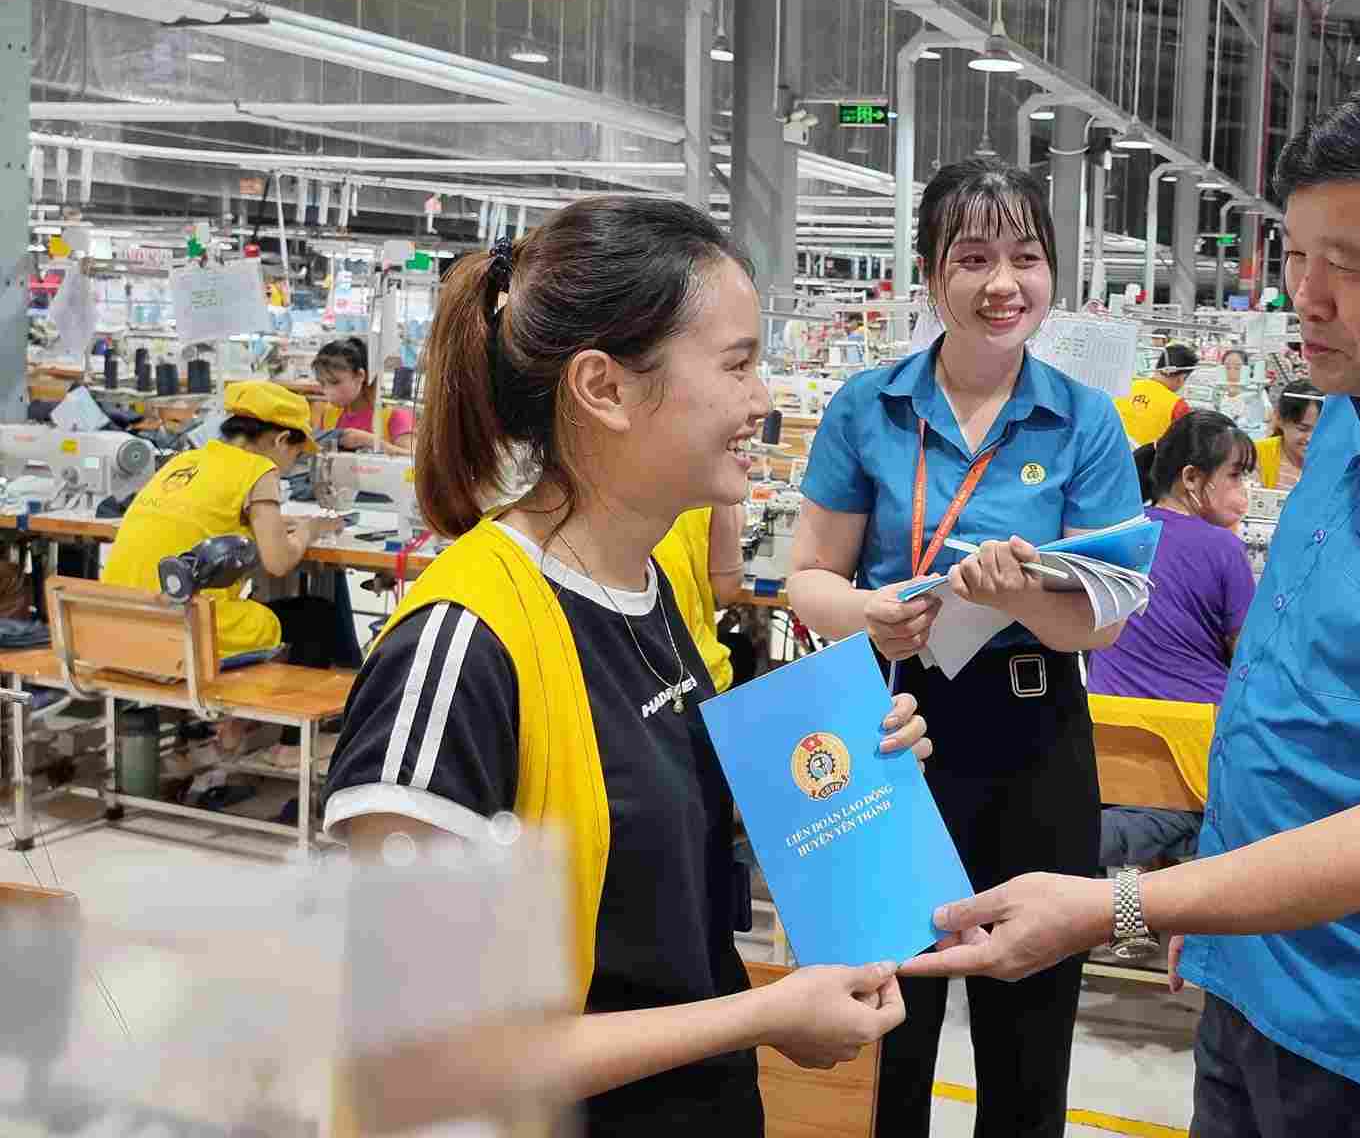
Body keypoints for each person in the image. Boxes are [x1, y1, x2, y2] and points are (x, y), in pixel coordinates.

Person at [901, 77, 1360, 1138]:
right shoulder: (1357, 401)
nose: (1304, 296)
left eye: (1345, 268)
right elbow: (1294, 691)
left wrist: (1122, 903)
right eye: (1293, 257)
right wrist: (1209, 911)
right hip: (1253, 969)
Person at [321, 197, 924, 1137]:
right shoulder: (458, 648)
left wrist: (846, 773)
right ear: (603, 388)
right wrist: (762, 1014)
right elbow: (422, 1059)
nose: (765, 399)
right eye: (738, 364)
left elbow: (657, 867)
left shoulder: (647, 592)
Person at [786, 156, 1144, 1138]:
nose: (1002, 283)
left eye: (1025, 257)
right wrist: (868, 613)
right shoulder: (868, 407)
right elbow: (807, 577)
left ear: (1052, 273)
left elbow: (1103, 621)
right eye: (973, 256)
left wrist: (1026, 595)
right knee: (879, 1024)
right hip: (888, 731)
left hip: (1034, 741)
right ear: (929, 273)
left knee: (1028, 1037)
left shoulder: (1086, 423)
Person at [1091, 410, 1258, 870]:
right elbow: (1248, 660)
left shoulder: (1115, 534)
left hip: (1106, 736)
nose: (1244, 494)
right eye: (1236, 477)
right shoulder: (1223, 548)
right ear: (1191, 478)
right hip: (1192, 750)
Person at [104, 380, 348, 665]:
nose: (292, 465)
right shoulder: (259, 468)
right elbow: (278, 562)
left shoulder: (185, 461)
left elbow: (206, 515)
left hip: (118, 619)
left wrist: (276, 522)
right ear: (281, 440)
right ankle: (289, 704)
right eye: (296, 454)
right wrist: (309, 530)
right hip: (184, 623)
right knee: (317, 616)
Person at [654, 504, 752, 693]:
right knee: (743, 650)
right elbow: (726, 593)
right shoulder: (714, 491)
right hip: (696, 673)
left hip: (629, 671)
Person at [313, 336, 415, 453]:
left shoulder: (395, 418)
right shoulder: (327, 415)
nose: (328, 391)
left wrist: (369, 441)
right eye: (322, 383)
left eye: (335, 382)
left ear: (360, 376)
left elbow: (413, 459)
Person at [1116, 342, 1199, 447]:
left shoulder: (1125, 386)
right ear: (1181, 378)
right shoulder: (1178, 406)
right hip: (1147, 461)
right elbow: (1184, 446)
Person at [1252, 380, 1320, 491]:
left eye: (1320, 431)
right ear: (1279, 419)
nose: (1311, 438)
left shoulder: (1335, 462)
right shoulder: (1257, 456)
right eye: (1303, 429)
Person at [1213, 349, 1269, 437]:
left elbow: (1267, 415)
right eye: (1227, 367)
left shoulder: (1254, 391)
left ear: (1246, 369)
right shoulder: (1219, 391)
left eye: (1237, 368)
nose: (1231, 371)